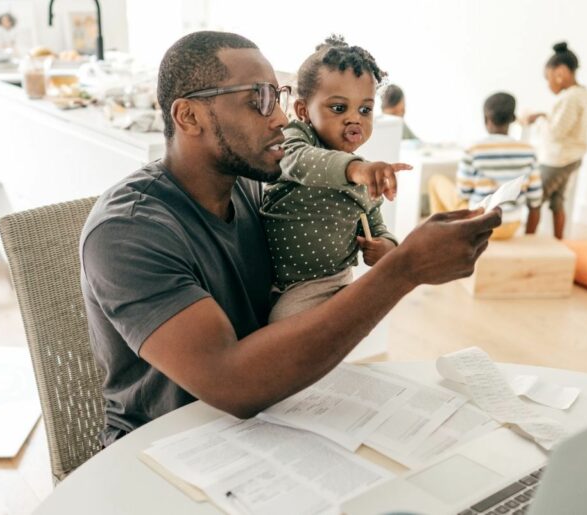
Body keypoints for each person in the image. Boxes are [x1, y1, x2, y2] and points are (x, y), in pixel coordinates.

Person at [80, 31, 501, 446]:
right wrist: (403, 269)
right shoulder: (126, 232)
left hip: (268, 422)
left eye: (278, 96)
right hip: (165, 449)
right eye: (258, 99)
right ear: (189, 116)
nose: (281, 118)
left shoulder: (252, 189)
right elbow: (233, 383)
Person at [261, 35, 410, 322]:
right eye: (339, 108)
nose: (355, 119)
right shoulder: (298, 139)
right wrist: (356, 170)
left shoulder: (362, 175)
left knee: (295, 338)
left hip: (330, 282)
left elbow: (376, 223)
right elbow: (299, 161)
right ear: (303, 110)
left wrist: (386, 246)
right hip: (276, 278)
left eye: (365, 110)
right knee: (267, 334)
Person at [428, 92, 543, 240]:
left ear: (486, 118)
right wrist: (529, 239)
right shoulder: (529, 151)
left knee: (435, 181)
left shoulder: (473, 149)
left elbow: (463, 193)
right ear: (513, 119)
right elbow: (535, 201)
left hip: (479, 223)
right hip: (511, 227)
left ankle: (440, 237)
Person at [522, 41, 587, 239]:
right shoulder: (584, 94)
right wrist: (545, 115)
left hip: (557, 160)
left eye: (548, 78)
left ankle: (527, 242)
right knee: (557, 202)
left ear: (560, 72)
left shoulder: (570, 98)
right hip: (572, 158)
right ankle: (560, 242)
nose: (548, 83)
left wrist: (540, 120)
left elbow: (556, 133)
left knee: (534, 200)